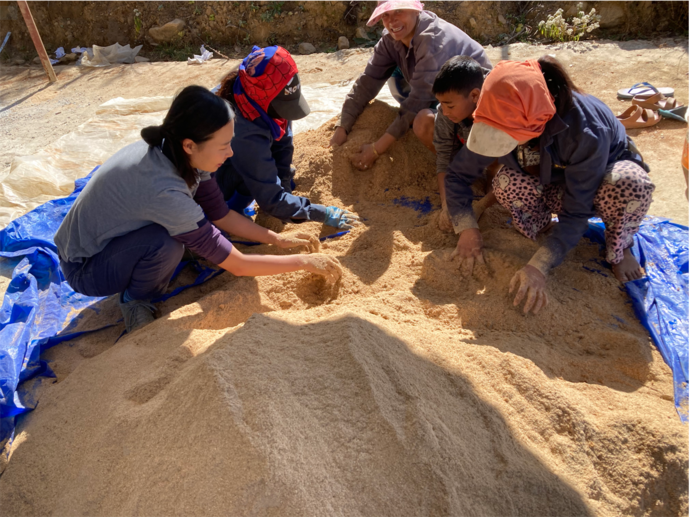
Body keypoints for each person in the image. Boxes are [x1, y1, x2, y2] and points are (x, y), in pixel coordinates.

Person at [55, 85, 342, 333]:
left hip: (110, 239)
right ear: (190, 145)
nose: (230, 153)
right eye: (223, 146)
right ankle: (136, 300)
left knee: (190, 234)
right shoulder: (164, 190)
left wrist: (276, 240)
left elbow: (220, 214)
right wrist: (303, 262)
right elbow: (239, 265)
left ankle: (167, 254)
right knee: (167, 244)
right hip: (86, 268)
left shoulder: (176, 152)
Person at [445, 57, 654, 314]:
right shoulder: (498, 109)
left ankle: (621, 247)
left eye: (504, 134)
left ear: (533, 122)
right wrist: (467, 227)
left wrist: (539, 266)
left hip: (599, 185)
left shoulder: (584, 130)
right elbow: (457, 175)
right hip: (552, 181)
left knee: (629, 184)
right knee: (506, 181)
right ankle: (541, 226)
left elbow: (576, 212)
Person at [329, 0, 492, 171]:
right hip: (444, 99)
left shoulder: (432, 40)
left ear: (416, 10)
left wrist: (376, 149)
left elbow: (417, 101)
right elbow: (366, 83)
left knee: (422, 121)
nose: (392, 21)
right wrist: (343, 127)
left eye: (399, 11)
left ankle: (472, 169)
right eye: (386, 15)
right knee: (395, 78)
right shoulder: (390, 40)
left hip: (476, 111)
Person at [215, 45, 358, 230]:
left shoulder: (261, 98)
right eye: (282, 107)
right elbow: (270, 199)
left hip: (242, 162)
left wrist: (285, 191)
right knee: (258, 184)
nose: (285, 115)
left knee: (283, 175)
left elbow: (283, 146)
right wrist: (321, 213)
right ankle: (228, 213)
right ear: (262, 96)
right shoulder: (240, 128)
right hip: (211, 188)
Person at [432, 55, 500, 232]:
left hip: (505, 156)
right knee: (424, 121)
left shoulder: (499, 108)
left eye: (450, 106)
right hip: (469, 148)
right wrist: (447, 204)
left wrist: (480, 206)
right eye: (441, 104)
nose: (445, 112)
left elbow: (521, 170)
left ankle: (492, 175)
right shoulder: (446, 112)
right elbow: (444, 158)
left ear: (474, 96)